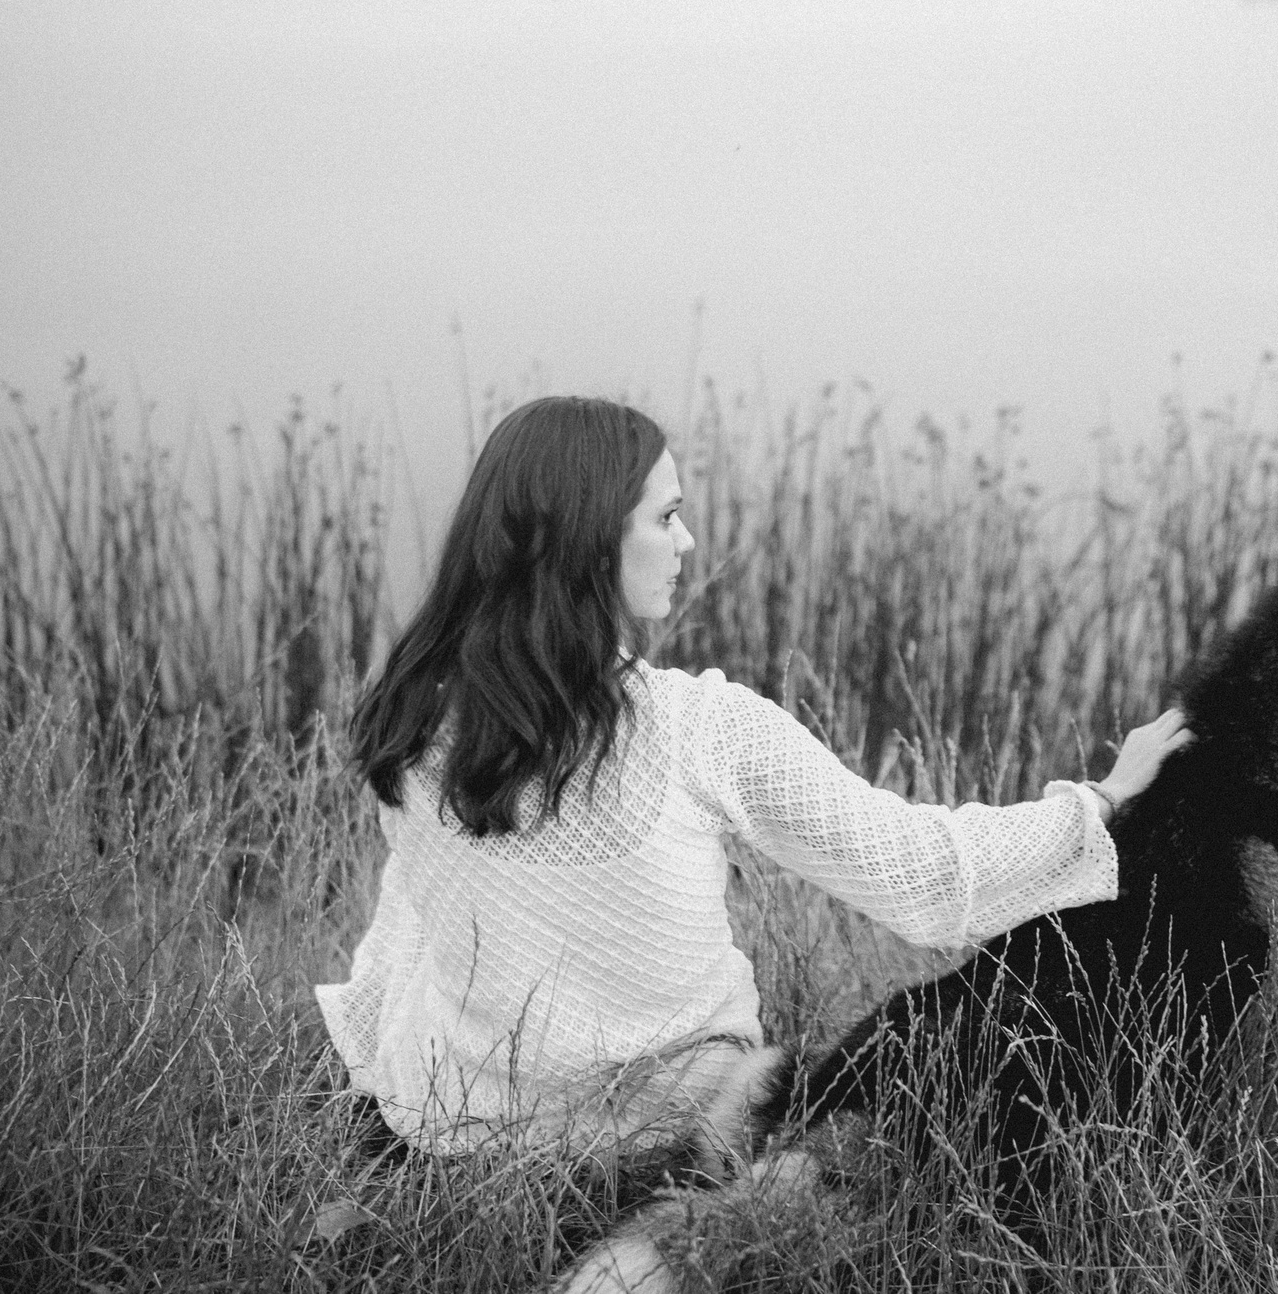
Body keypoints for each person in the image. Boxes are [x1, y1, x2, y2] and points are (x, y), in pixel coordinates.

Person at [314, 394, 1190, 1216]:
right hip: (684, 1124)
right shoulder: (698, 727)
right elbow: (924, 872)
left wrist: (384, 1054)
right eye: (665, 516)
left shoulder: (411, 721)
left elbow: (417, 915)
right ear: (588, 543)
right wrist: (1101, 800)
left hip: (464, 1129)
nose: (688, 539)